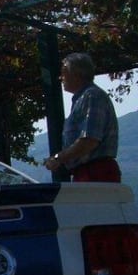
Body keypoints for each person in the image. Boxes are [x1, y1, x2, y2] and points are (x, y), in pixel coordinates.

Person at [43, 52, 121, 182]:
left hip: (96, 173)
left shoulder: (92, 96)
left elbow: (90, 140)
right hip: (88, 172)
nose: (60, 77)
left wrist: (58, 158)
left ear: (76, 74)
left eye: (63, 72)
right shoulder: (83, 98)